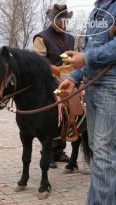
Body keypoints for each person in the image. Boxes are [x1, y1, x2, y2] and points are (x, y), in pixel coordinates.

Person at [58, 0, 116, 204]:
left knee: (103, 153)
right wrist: (74, 78)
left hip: (110, 87)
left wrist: (87, 58)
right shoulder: (97, 8)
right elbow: (89, 49)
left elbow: (90, 54)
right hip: (93, 85)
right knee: (99, 151)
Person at [33, 4, 73, 168]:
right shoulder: (41, 37)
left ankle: (59, 151)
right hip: (48, 78)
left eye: (64, 21)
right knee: (54, 108)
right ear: (51, 20)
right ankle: (47, 152)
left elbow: (70, 60)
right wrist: (56, 71)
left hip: (69, 76)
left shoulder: (70, 38)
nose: (61, 24)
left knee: (77, 103)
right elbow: (39, 62)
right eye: (58, 21)